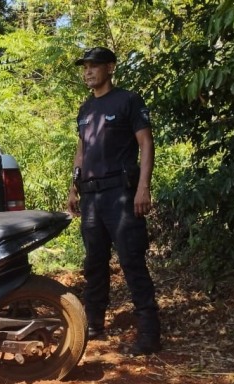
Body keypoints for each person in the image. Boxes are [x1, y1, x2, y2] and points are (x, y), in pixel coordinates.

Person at [66, 47, 162, 355]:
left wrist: (143, 188)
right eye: (85, 67)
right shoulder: (85, 109)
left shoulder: (128, 101)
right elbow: (82, 150)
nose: (88, 71)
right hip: (91, 196)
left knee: (131, 260)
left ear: (110, 68)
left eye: (94, 66)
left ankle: (149, 333)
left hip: (120, 194)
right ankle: (94, 324)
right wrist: (73, 187)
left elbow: (146, 143)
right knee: (94, 263)